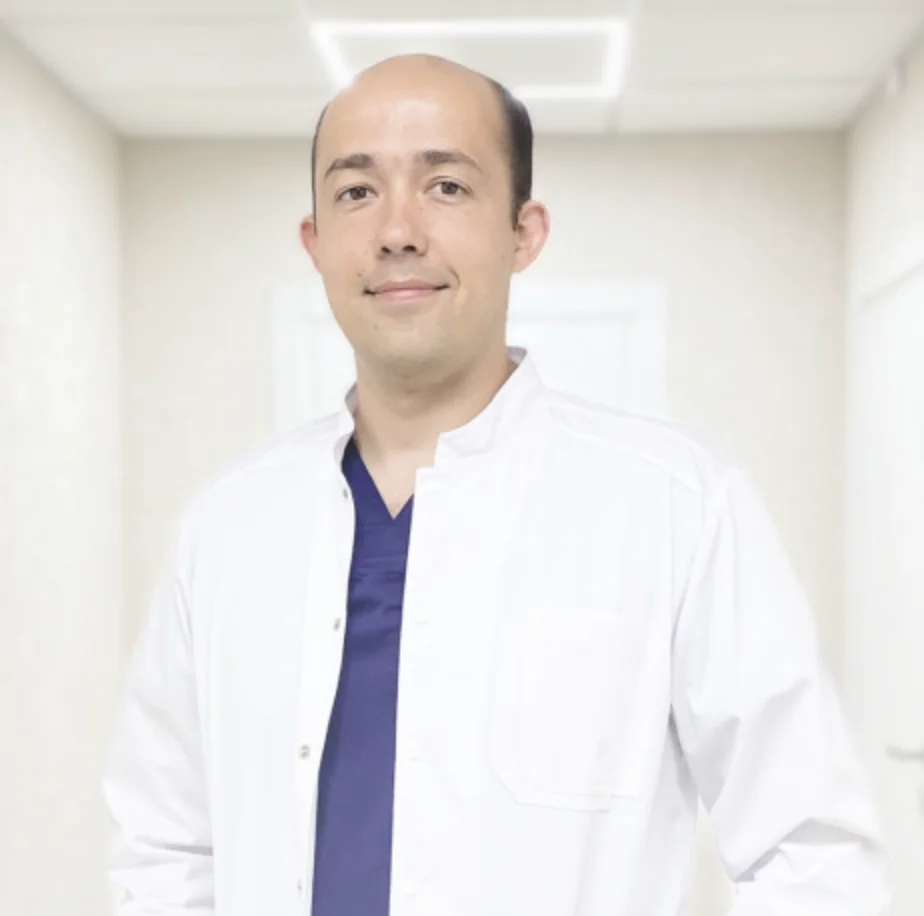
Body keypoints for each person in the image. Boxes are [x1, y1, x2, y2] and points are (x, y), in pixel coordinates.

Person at [102, 54, 891, 916]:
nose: (397, 230)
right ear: (315, 242)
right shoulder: (230, 525)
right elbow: (166, 848)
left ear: (525, 233)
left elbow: (811, 855)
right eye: (357, 192)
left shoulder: (678, 505)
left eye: (446, 186)